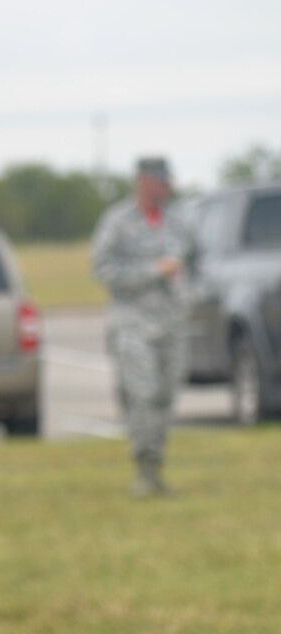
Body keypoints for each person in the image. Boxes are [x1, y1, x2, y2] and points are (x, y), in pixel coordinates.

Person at [90, 157, 195, 496]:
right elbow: (103, 268)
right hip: (133, 324)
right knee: (142, 395)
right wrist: (153, 271)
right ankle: (145, 469)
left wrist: (189, 287)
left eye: (168, 181)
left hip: (173, 323)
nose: (167, 187)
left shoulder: (178, 222)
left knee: (165, 395)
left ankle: (156, 465)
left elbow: (199, 260)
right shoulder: (118, 222)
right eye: (160, 181)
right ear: (144, 183)